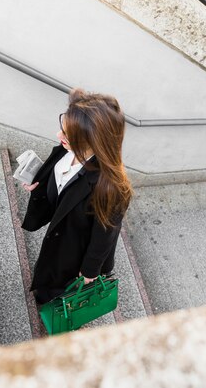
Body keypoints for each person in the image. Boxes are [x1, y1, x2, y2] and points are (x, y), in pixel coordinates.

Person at [21, 88, 133, 304]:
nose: (59, 136)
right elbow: (63, 189)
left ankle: (51, 303)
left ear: (94, 140)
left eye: (68, 134)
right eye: (63, 128)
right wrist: (40, 188)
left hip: (74, 250)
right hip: (61, 235)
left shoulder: (111, 187)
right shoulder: (67, 149)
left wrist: (90, 270)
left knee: (59, 285)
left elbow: (106, 234)